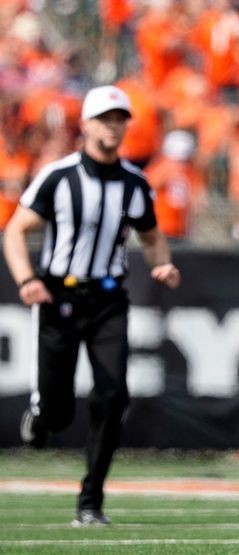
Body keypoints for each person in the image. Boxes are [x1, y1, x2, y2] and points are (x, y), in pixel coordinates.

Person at [5, 85, 181, 527]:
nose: (113, 126)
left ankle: (91, 501)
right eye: (105, 118)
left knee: (111, 395)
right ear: (85, 125)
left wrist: (164, 266)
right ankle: (43, 418)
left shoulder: (135, 184)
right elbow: (15, 230)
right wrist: (27, 279)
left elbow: (152, 235)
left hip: (108, 299)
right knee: (59, 410)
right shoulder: (58, 176)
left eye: (120, 118)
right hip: (59, 296)